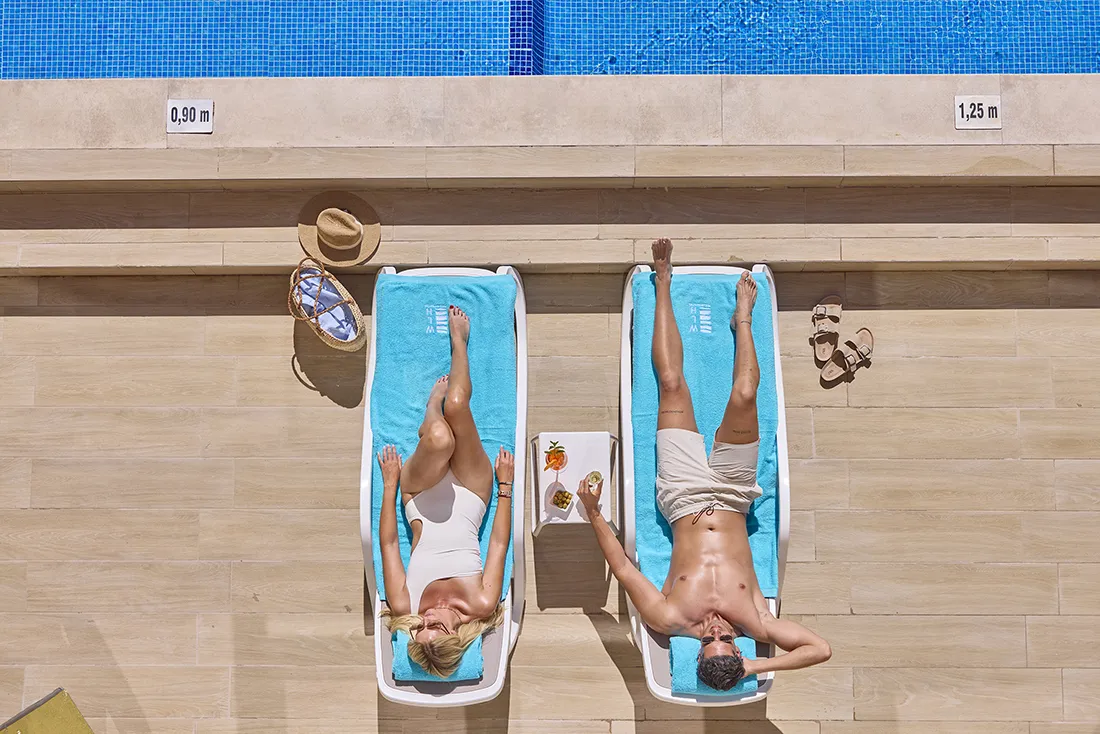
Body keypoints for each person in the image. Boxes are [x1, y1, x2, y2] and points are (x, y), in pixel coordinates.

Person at [578, 239, 831, 691]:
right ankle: (743, 320)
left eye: (710, 638)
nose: (717, 628)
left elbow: (624, 568)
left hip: (683, 493)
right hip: (734, 494)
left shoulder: (668, 618)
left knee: (672, 384)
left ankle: (662, 282)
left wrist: (594, 513)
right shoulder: (757, 623)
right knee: (745, 395)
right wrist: (755, 668)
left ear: (698, 649)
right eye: (726, 638)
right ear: (738, 649)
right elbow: (819, 650)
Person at [377, 305, 515, 678]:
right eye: (435, 627)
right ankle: (459, 343)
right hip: (473, 493)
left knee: (439, 439)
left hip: (420, 496)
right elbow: (499, 545)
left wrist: (391, 485)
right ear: (458, 635)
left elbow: (390, 544)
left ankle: (429, 412)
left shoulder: (405, 604)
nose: (426, 621)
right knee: (456, 406)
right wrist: (505, 486)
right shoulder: (483, 603)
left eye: (419, 630)